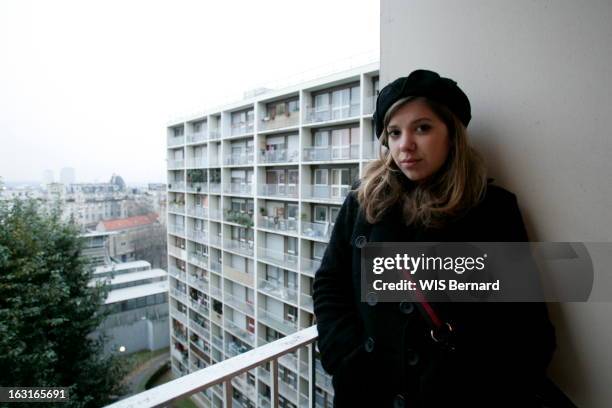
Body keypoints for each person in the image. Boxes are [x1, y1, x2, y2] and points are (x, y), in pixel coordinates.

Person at [312, 69, 556, 408]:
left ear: (452, 134)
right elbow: (330, 283)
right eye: (394, 133)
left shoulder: (491, 210)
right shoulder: (363, 201)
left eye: (422, 128)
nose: (405, 145)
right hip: (367, 393)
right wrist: (346, 360)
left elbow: (525, 328)